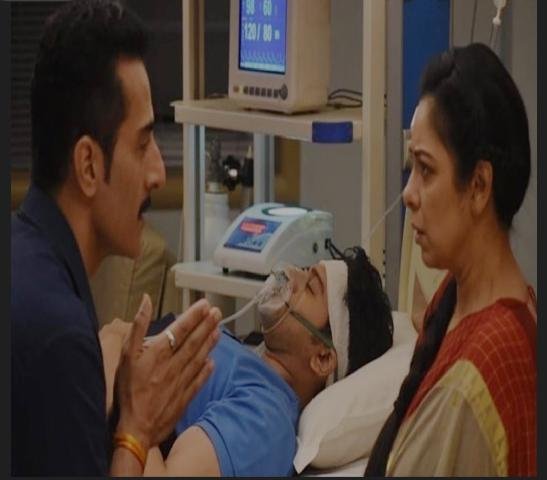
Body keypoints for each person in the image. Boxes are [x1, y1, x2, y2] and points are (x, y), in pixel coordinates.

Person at [11, 1, 220, 476]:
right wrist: (136, 430)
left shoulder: (27, 259)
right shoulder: (57, 339)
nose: (158, 173)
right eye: (142, 144)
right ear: (88, 165)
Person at [365, 43, 536, 477]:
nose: (408, 194)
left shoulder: (486, 368)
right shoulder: (455, 298)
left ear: (478, 186)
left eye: (425, 170)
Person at [99, 245, 395, 476]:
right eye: (305, 270)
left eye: (309, 287)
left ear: (322, 358)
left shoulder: (266, 420)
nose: (291, 274)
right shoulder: (241, 353)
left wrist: (116, 360)